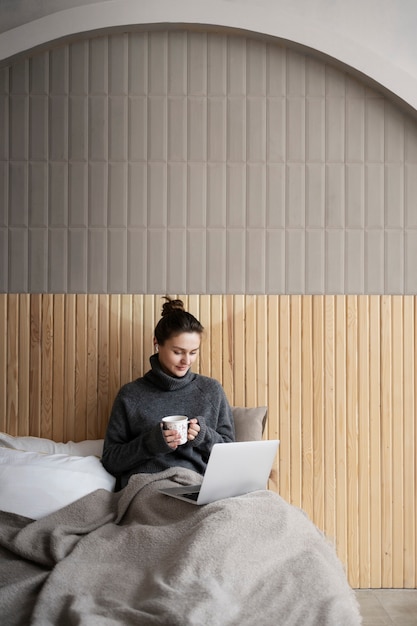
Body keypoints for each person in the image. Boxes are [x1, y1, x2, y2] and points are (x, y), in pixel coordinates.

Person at [101, 297, 235, 490]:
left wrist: (204, 437)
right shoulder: (130, 395)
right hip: (148, 487)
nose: (186, 361)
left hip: (199, 487)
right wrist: (151, 443)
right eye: (178, 352)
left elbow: (231, 456)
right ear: (157, 343)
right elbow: (111, 461)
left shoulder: (211, 391)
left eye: (193, 352)